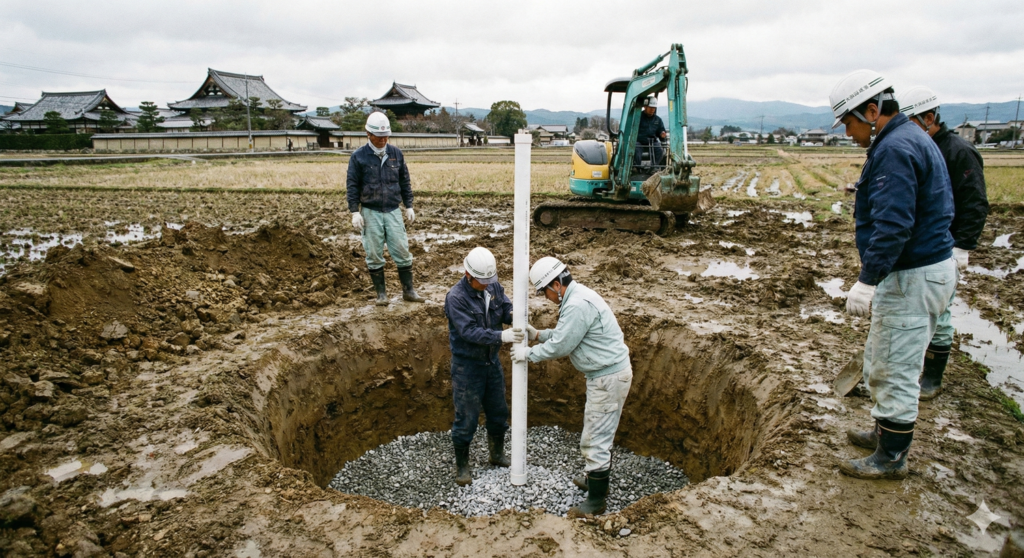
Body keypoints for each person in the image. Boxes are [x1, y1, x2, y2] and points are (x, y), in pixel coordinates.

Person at [830, 70, 956, 480]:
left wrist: (867, 281)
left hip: (912, 275)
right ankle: (886, 433)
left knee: (894, 366)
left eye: (849, 123)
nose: (848, 133)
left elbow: (894, 225)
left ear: (872, 111)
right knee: (887, 359)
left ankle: (891, 457)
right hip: (925, 269)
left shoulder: (895, 149)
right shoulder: (908, 139)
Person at [511, 257, 632, 515]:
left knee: (595, 438)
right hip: (604, 375)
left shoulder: (576, 304)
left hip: (607, 379)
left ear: (556, 285)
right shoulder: (577, 298)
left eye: (545, 292)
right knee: (595, 430)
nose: (546, 298)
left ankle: (596, 502)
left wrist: (528, 354)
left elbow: (563, 345)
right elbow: (568, 334)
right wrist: (538, 335)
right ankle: (594, 479)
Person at [898, 86, 990, 400]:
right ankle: (902, 370)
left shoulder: (957, 151)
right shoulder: (918, 147)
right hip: (919, 245)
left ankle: (931, 379)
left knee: (940, 313)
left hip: (945, 246)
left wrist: (963, 246)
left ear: (930, 117)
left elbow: (975, 202)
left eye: (911, 121)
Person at [444, 247, 525, 486]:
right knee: (466, 417)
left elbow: (506, 308)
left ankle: (496, 454)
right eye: (482, 281)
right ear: (468, 274)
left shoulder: (493, 286)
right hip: (467, 367)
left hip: (491, 363)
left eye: (490, 280)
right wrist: (502, 337)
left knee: (498, 412)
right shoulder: (456, 298)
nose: (487, 285)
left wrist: (517, 316)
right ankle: (462, 466)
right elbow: (469, 332)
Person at [346, 111, 424, 305]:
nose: (383, 140)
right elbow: (352, 185)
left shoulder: (395, 154)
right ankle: (381, 295)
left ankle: (409, 291)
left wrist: (409, 205)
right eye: (379, 137)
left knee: (402, 250)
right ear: (368, 134)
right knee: (373, 252)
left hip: (392, 210)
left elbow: (404, 181)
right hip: (370, 211)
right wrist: (354, 211)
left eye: (386, 137)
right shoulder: (359, 157)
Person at [634, 96, 667, 168]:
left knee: (660, 151)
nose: (652, 110)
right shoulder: (637, 117)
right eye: (651, 108)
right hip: (639, 141)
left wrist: (662, 135)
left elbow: (661, 131)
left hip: (652, 141)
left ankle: (653, 168)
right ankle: (637, 168)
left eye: (654, 108)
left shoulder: (658, 120)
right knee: (636, 149)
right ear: (645, 107)